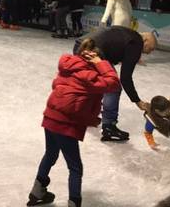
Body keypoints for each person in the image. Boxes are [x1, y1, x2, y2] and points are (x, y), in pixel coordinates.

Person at [27, 38, 120, 207]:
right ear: (95, 57)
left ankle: (37, 192)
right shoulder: (90, 75)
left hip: (50, 118)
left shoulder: (69, 66)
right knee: (75, 167)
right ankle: (74, 202)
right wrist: (101, 64)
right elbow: (113, 83)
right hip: (66, 124)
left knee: (50, 154)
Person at [73, 26, 157, 141]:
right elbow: (125, 78)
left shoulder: (130, 35)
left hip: (81, 45)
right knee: (113, 86)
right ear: (145, 41)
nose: (149, 53)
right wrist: (137, 101)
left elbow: (114, 45)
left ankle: (84, 115)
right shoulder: (136, 43)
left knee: (94, 82)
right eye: (151, 49)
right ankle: (109, 127)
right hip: (93, 50)